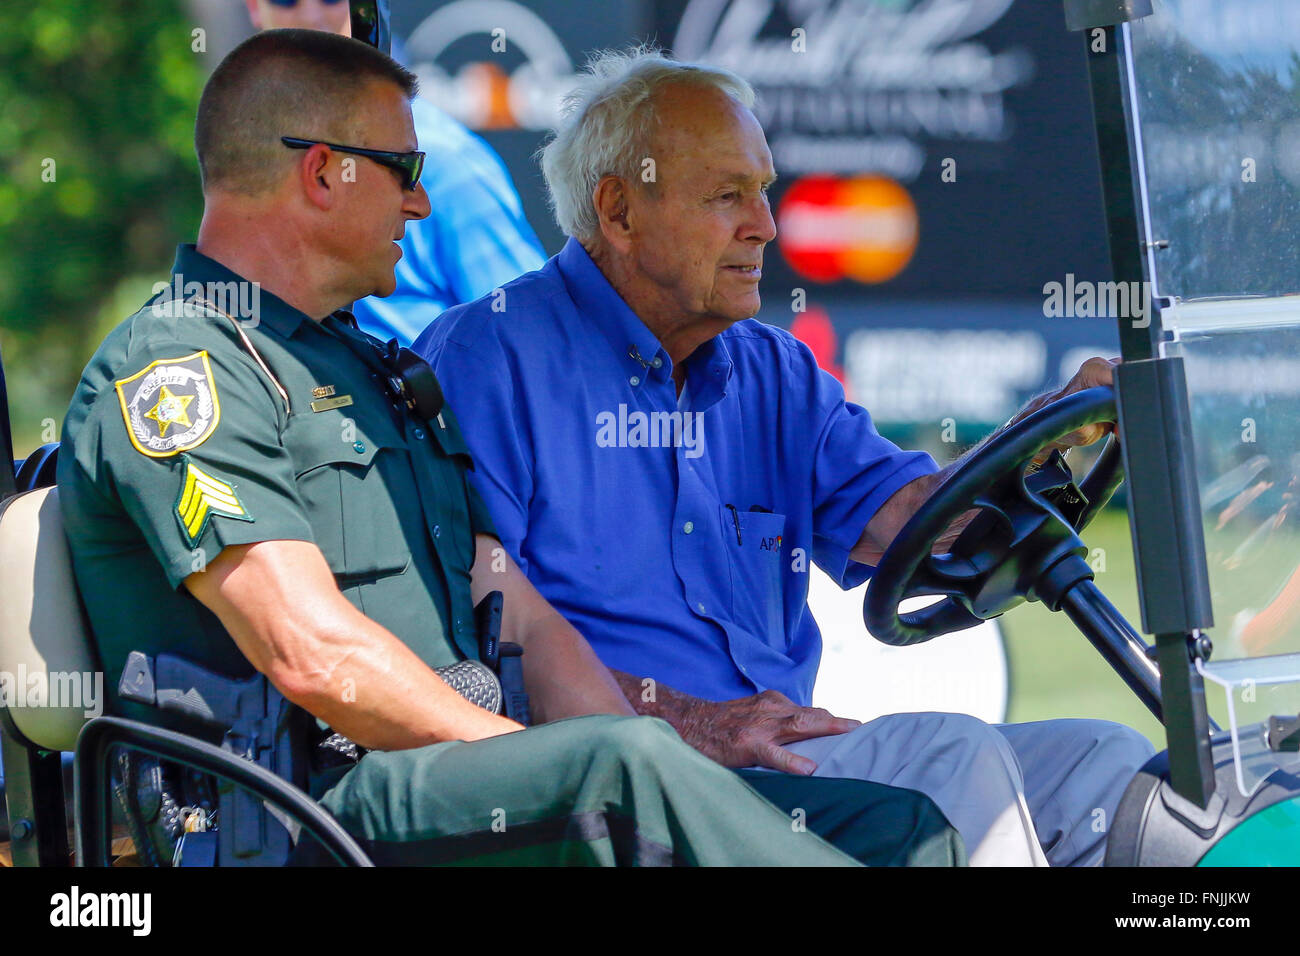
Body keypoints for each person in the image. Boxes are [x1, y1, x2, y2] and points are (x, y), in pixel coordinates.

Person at [55, 29, 965, 867]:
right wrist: (547, 756)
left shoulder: (381, 374)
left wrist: (634, 746)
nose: (420, 201)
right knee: (621, 769)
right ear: (324, 173)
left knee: (897, 824)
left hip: (450, 780)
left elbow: (520, 612)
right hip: (303, 807)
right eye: (404, 169)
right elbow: (314, 657)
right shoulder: (184, 366)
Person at [418, 48, 1156, 867]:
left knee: (1106, 760)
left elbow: (923, 523)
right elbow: (471, 648)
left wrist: (1052, 429)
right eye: (727, 195)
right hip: (616, 789)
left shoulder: (773, 370)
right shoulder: (489, 360)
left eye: (762, 191)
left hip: (775, 769)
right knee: (954, 762)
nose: (765, 225)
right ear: (619, 213)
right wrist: (695, 724)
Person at [242, 0, 546, 346]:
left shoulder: (446, 160)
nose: (311, 17)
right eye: (286, 0)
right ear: (253, 6)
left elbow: (531, 338)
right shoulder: (247, 149)